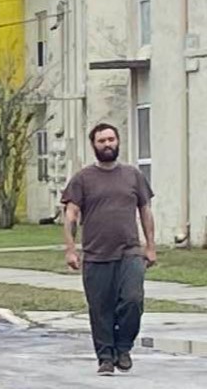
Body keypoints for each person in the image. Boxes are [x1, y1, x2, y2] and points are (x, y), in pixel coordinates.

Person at [62, 122, 157, 376]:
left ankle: (123, 348)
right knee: (100, 309)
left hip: (130, 252)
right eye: (102, 141)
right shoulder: (83, 179)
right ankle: (105, 358)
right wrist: (70, 249)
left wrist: (150, 246)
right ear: (93, 145)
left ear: (118, 141)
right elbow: (71, 214)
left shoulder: (133, 175)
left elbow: (145, 211)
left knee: (133, 301)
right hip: (96, 255)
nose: (107, 144)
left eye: (111, 139)